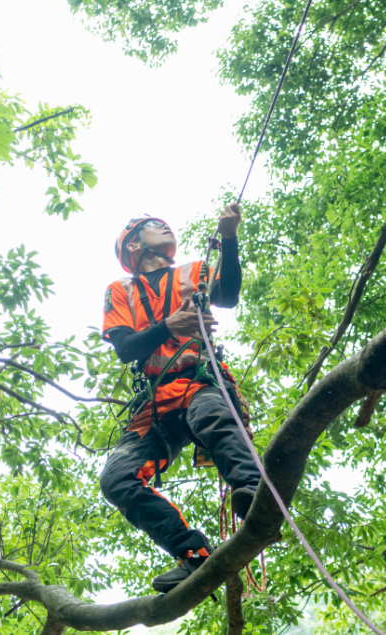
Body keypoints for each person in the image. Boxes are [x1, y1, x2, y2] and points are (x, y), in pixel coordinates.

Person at [99, 204, 261, 594]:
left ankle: (253, 491)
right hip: (155, 404)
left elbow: (230, 295)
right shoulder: (120, 291)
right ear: (134, 245)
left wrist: (229, 238)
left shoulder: (192, 272)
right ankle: (193, 555)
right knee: (116, 479)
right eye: (155, 226)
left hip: (198, 380)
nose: (166, 228)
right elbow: (125, 347)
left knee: (211, 416)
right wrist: (170, 325)